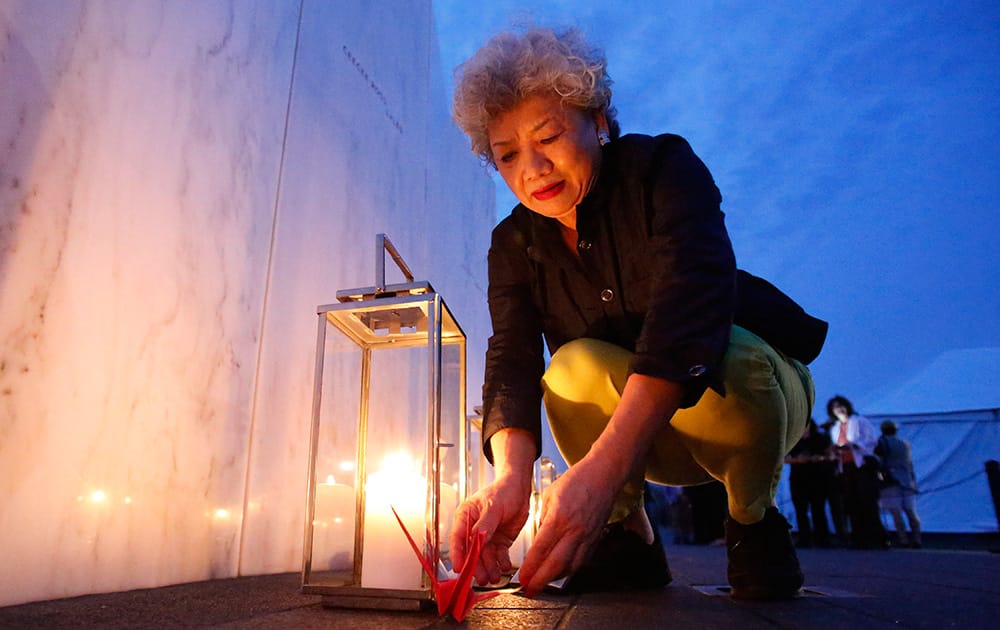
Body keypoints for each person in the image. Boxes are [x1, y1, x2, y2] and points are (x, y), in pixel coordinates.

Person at [448, 26, 828, 600]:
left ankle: (753, 520)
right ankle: (631, 535)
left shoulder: (662, 170)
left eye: (549, 136)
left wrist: (598, 475)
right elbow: (513, 356)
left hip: (749, 401)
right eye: (507, 155)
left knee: (734, 351)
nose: (533, 168)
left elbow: (687, 310)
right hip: (645, 442)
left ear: (598, 122)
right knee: (569, 367)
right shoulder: (513, 243)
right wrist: (510, 479)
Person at [827, 395, 886, 549]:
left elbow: (871, 441)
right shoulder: (835, 428)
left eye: (840, 406)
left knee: (867, 502)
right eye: (835, 408)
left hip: (863, 465)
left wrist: (852, 445)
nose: (838, 410)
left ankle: (877, 538)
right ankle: (859, 538)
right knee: (852, 503)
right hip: (846, 467)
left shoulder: (859, 421)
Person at [784, 418, 836, 548]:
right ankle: (804, 538)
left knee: (818, 508)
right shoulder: (792, 440)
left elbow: (831, 455)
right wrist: (797, 460)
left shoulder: (821, 438)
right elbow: (783, 458)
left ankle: (822, 538)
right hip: (798, 478)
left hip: (817, 477)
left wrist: (820, 458)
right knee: (801, 509)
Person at [875, 420, 922, 548]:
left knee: (896, 513)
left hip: (891, 481)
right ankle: (917, 539)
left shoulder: (881, 443)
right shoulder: (906, 444)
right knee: (911, 512)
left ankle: (903, 539)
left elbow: (879, 461)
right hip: (907, 480)